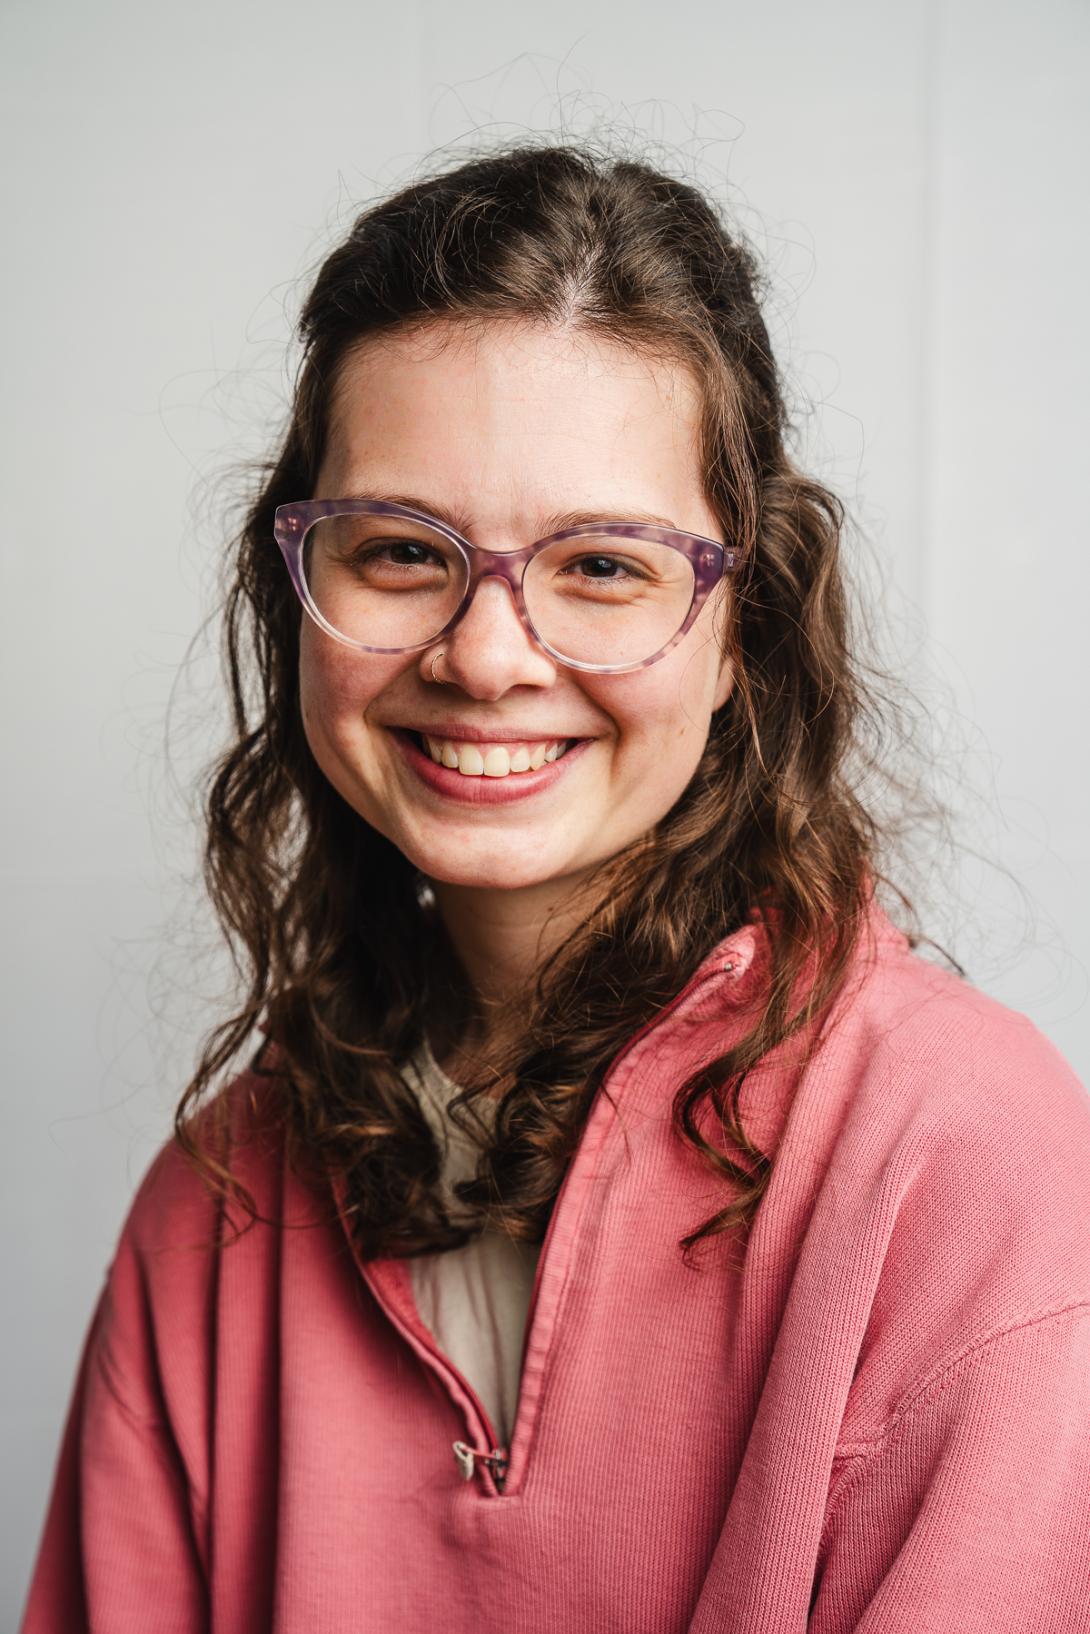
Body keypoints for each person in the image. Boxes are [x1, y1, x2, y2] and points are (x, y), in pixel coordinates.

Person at [19, 140, 1090, 1634]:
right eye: (400, 550)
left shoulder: (965, 1162)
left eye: (600, 564)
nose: (485, 654)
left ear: (740, 626)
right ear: (299, 594)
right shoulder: (217, 1205)